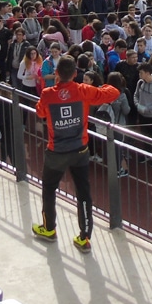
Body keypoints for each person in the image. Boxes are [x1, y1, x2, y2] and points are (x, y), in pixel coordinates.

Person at [32, 55, 120, 253]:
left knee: (49, 189)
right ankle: (84, 238)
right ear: (74, 74)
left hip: (56, 151)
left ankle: (49, 229)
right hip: (80, 150)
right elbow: (112, 92)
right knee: (83, 193)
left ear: (56, 74)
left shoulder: (47, 94)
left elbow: (40, 113)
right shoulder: (83, 90)